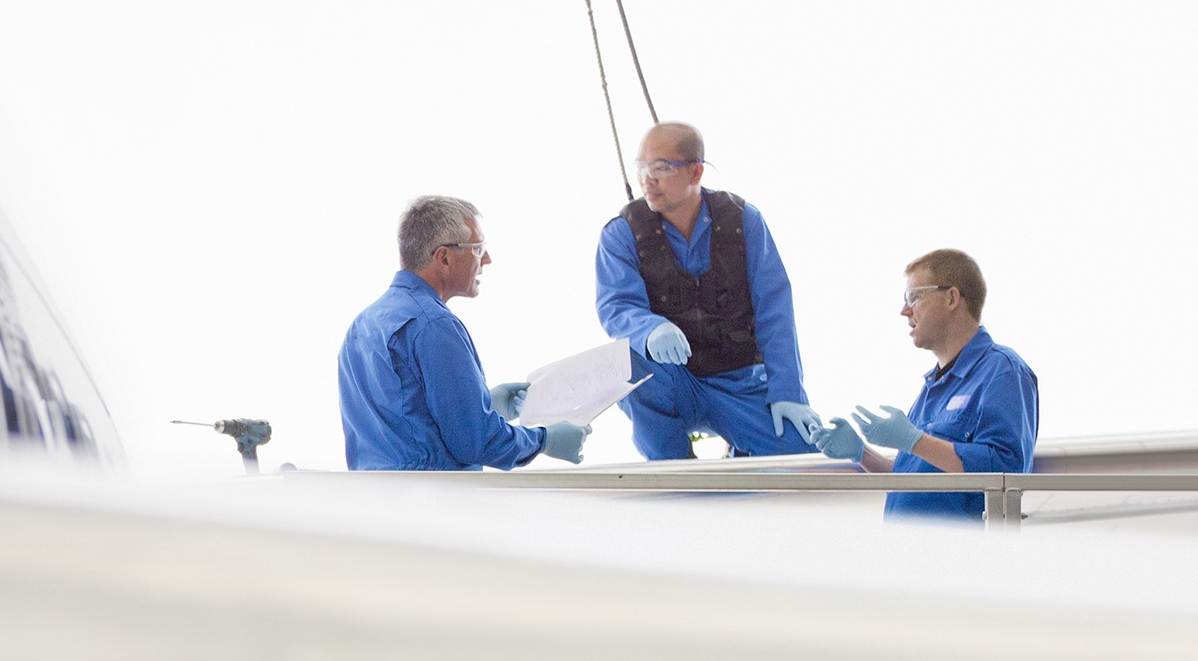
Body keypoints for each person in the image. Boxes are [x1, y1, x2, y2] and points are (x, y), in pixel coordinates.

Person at [595, 122, 820, 458]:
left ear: (696, 171)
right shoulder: (621, 233)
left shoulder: (744, 221)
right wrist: (650, 328)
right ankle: (675, 470)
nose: (647, 179)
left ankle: (742, 454)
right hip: (674, 384)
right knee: (628, 365)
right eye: (641, 168)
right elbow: (616, 306)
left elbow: (775, 310)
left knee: (803, 452)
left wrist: (788, 392)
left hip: (740, 383)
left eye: (661, 167)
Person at [339, 195, 590, 471]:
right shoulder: (433, 325)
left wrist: (482, 406)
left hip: (373, 495)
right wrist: (544, 440)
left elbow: (402, 418)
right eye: (478, 249)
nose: (487, 260)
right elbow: (475, 443)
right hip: (433, 495)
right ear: (444, 257)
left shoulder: (362, 325)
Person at [812, 249, 1039, 523]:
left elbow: (1005, 473)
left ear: (951, 298)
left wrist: (915, 441)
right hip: (911, 544)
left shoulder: (1002, 372)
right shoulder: (935, 385)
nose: (904, 310)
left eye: (914, 297)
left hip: (959, 546)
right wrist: (863, 454)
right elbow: (915, 481)